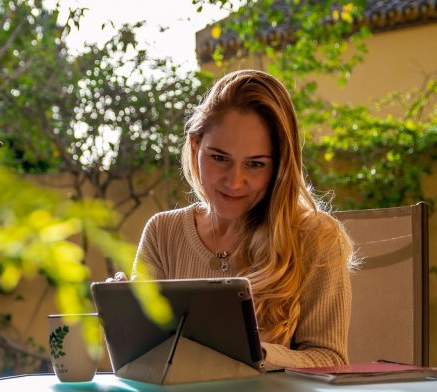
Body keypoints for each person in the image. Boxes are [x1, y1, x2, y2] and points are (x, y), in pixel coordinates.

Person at [111, 69, 354, 370]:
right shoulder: (163, 232)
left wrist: (250, 353)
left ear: (279, 167)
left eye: (255, 164)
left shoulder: (316, 238)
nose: (234, 182)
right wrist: (123, 323)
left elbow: (329, 359)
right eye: (219, 158)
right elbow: (141, 362)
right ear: (196, 146)